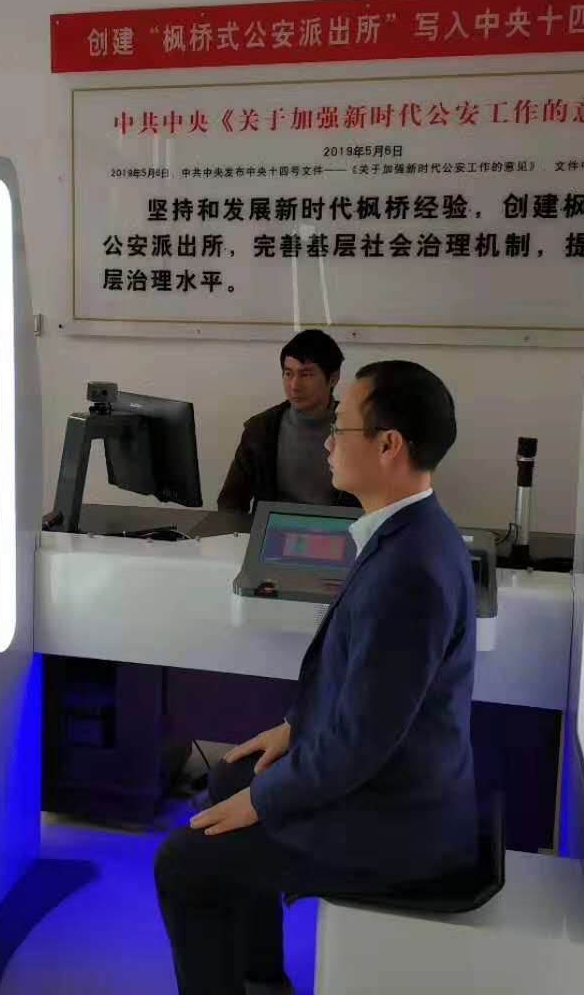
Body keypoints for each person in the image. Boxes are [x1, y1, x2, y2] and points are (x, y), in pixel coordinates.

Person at [156, 360, 477, 995]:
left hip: (398, 820)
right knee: (228, 774)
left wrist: (263, 802)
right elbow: (366, 689)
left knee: (182, 862)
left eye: (341, 427)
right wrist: (294, 728)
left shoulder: (409, 570)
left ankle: (251, 976)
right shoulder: (410, 531)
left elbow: (361, 742)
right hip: (400, 776)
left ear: (388, 445)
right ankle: (261, 979)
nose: (328, 441)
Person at [216, 329, 357, 513]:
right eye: (288, 374)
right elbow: (230, 500)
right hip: (272, 527)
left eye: (306, 375)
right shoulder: (261, 429)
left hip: (337, 528)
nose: (294, 386)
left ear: (333, 378)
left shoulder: (358, 429)